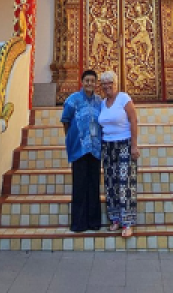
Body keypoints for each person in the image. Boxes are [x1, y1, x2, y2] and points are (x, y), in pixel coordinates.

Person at [98, 71, 140, 237]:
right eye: (104, 84)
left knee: (125, 183)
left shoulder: (124, 98)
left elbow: (133, 120)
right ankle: (115, 219)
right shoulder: (102, 103)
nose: (108, 86)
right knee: (111, 184)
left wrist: (134, 146)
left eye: (111, 83)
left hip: (124, 144)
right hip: (107, 146)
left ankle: (127, 222)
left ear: (116, 84)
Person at [61, 69, 103, 233]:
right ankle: (78, 223)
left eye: (92, 81)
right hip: (79, 148)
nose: (90, 83)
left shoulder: (99, 101)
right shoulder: (73, 100)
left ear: (95, 83)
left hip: (95, 148)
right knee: (79, 185)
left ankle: (94, 222)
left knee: (93, 185)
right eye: (87, 80)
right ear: (82, 82)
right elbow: (65, 121)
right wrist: (73, 138)